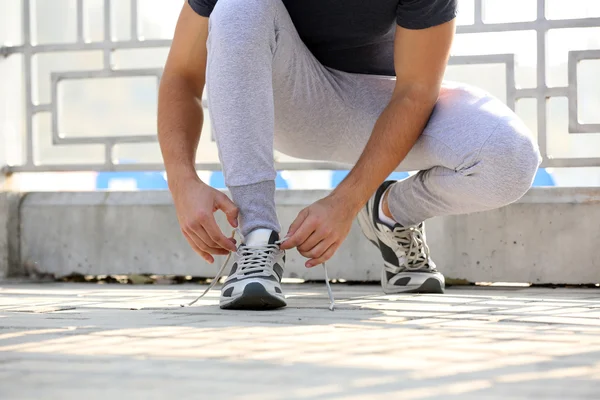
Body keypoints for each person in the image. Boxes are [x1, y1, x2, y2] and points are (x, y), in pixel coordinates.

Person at [157, 0, 541, 310]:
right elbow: (182, 75)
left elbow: (416, 92)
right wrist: (182, 181)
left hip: (387, 104)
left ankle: (389, 213)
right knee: (238, 6)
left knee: (509, 157)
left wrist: (347, 199)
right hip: (289, 98)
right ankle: (257, 237)